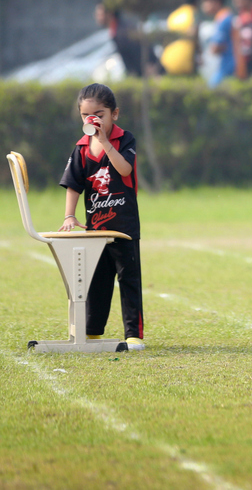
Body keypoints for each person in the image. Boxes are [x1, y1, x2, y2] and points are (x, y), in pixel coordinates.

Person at [58, 83, 145, 351]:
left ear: (114, 114)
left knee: (129, 281)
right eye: (86, 116)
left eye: (99, 114)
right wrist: (69, 216)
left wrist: (105, 142)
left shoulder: (124, 139)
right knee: (97, 282)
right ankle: (93, 332)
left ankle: (134, 335)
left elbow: (125, 168)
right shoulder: (81, 148)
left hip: (123, 227)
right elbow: (74, 184)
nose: (92, 120)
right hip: (96, 229)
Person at [96, 2, 143, 77]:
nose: (97, 17)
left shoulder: (123, 31)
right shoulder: (116, 30)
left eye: (99, 14)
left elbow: (138, 52)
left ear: (109, 14)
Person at [161, 0, 200, 76]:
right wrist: (200, 55)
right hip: (185, 63)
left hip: (167, 61)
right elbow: (194, 36)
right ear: (196, 1)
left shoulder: (173, 15)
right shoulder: (193, 13)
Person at [201, 0, 235, 87]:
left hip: (226, 67)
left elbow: (215, 48)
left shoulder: (223, 19)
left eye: (206, 2)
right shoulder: (225, 16)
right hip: (227, 66)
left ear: (216, 2)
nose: (204, 5)